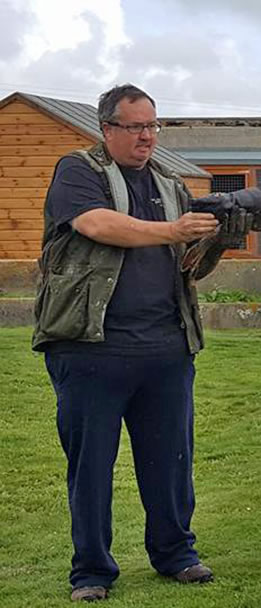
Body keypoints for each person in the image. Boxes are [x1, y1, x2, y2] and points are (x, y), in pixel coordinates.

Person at [33, 84, 242, 601]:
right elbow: (97, 224)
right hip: (89, 348)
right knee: (91, 467)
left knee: (171, 462)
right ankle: (92, 572)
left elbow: (188, 260)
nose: (147, 136)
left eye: (153, 126)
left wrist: (220, 234)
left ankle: (176, 555)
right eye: (136, 127)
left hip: (167, 349)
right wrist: (173, 230)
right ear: (107, 129)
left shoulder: (171, 184)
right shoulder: (78, 172)